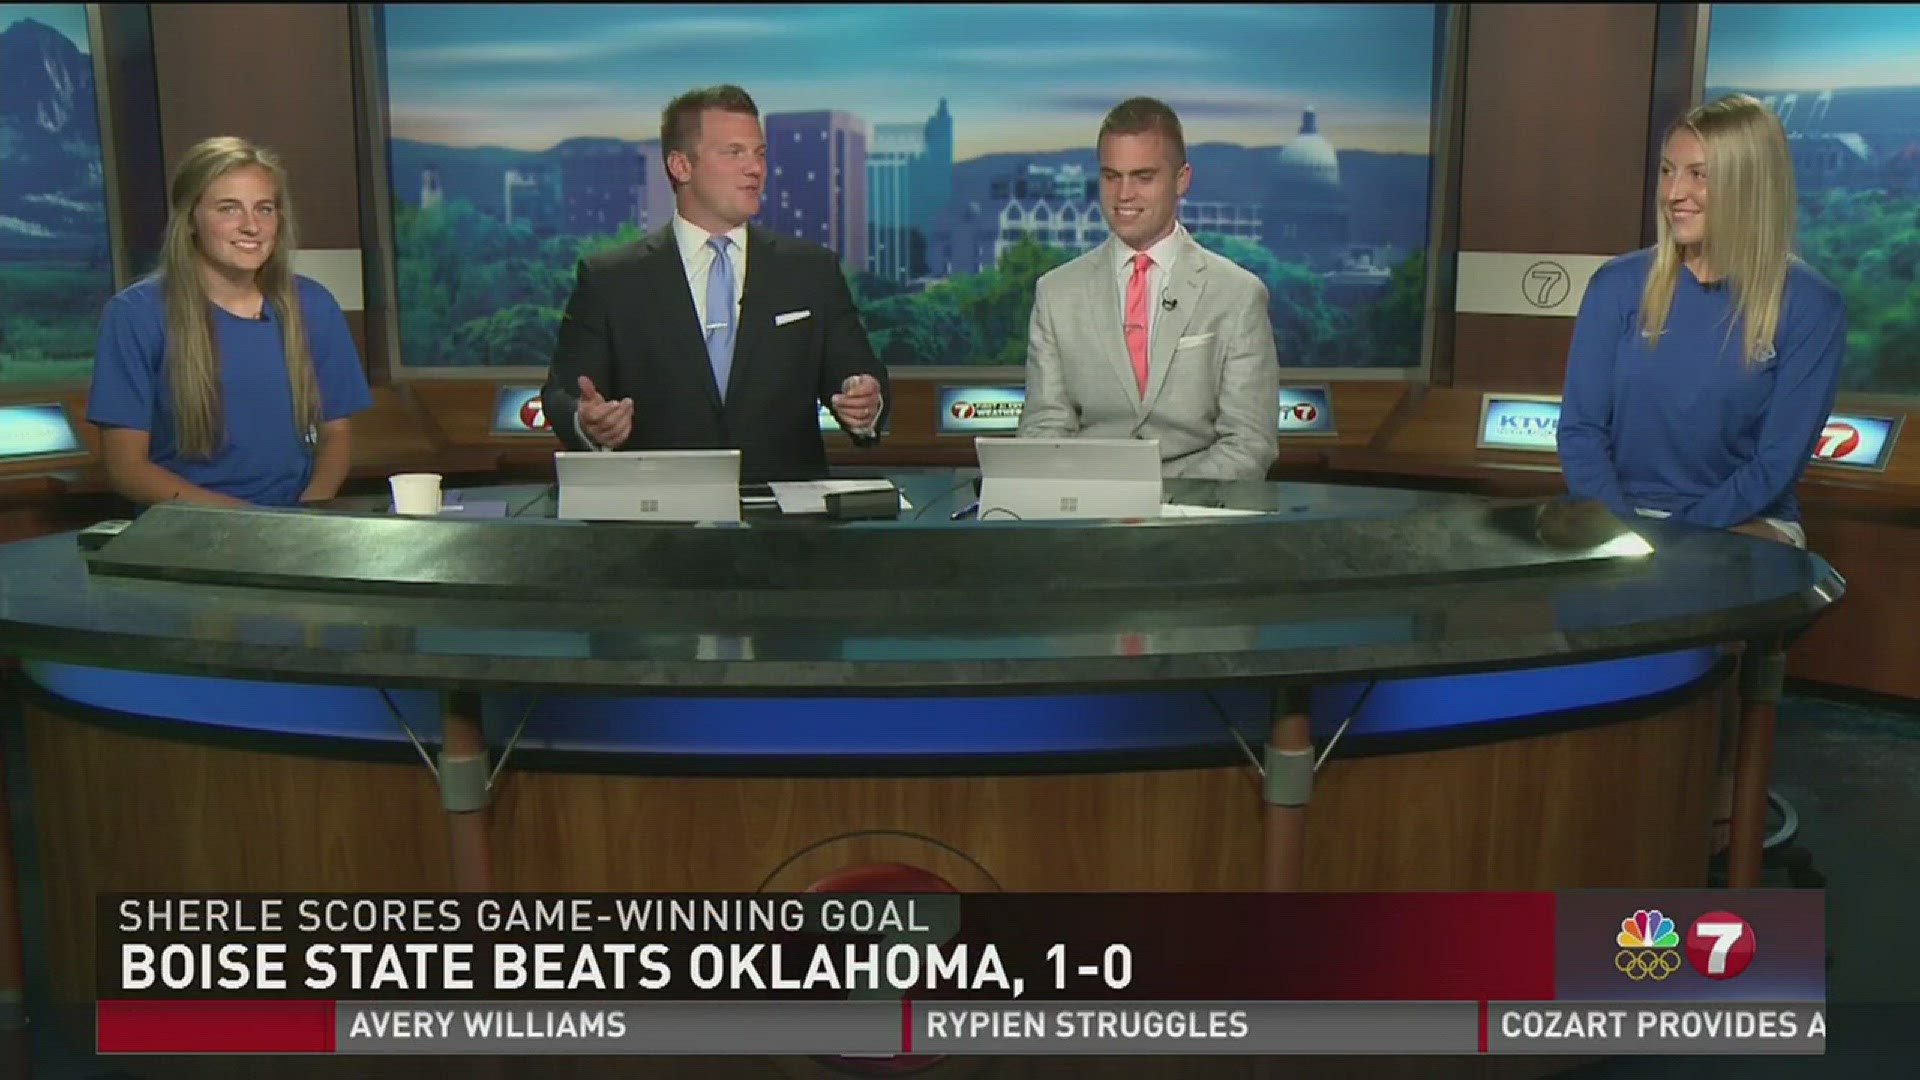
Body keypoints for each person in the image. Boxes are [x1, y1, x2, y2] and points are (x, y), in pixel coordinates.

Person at [542, 85, 889, 483]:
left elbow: (860, 373)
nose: (755, 168)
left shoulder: (810, 270)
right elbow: (563, 394)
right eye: (734, 152)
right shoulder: (612, 280)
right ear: (681, 166)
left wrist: (865, 402)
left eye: (759, 153)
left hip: (785, 527)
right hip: (657, 521)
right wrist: (588, 424)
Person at [1557, 93, 1847, 549]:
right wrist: (1623, 529)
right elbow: (1581, 431)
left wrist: (1676, 536)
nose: (1674, 194)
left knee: (1710, 571)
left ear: (1749, 186)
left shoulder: (1811, 305)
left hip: (1740, 518)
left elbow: (1777, 463)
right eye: (1668, 171)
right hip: (1620, 515)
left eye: (1699, 176)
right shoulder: (1617, 286)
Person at [88, 136, 372, 508]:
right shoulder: (135, 315)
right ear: (191, 219)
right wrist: (244, 524)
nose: (251, 226)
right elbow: (127, 467)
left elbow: (337, 435)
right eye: (229, 209)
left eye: (265, 209)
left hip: (298, 527)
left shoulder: (312, 305)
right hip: (189, 535)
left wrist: (307, 516)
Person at [1017, 97, 1278, 480]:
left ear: (1181, 180)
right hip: (1087, 514)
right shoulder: (1056, 294)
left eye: (1143, 177)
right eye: (1111, 176)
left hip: (1198, 518)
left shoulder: (1236, 295)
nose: (1123, 195)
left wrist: (1165, 507)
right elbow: (1044, 427)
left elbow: (1249, 443)